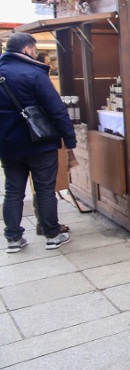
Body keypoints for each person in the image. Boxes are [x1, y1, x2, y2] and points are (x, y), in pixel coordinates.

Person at [0, 33, 76, 253]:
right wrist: (69, 139)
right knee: (45, 189)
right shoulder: (33, 72)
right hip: (39, 142)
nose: (35, 53)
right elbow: (56, 108)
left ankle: (13, 238)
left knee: (13, 191)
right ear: (26, 49)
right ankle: (52, 234)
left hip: (7, 145)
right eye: (34, 50)